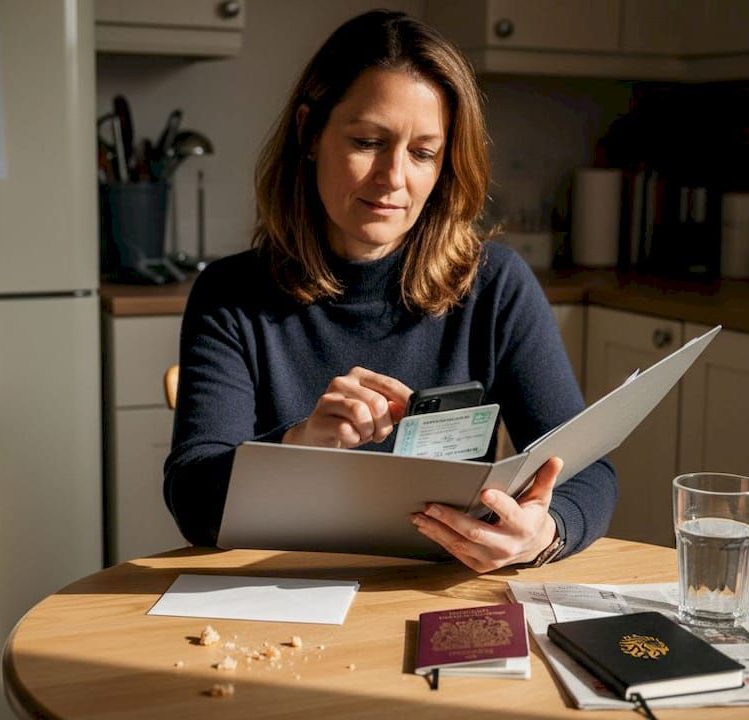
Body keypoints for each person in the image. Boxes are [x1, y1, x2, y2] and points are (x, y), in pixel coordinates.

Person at [164, 9, 616, 572]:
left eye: (423, 152)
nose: (394, 178)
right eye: (368, 141)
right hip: (282, 596)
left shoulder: (495, 285)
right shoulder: (231, 294)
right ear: (309, 133)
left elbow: (587, 475)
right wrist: (298, 445)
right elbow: (192, 500)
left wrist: (542, 534)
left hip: (439, 593)